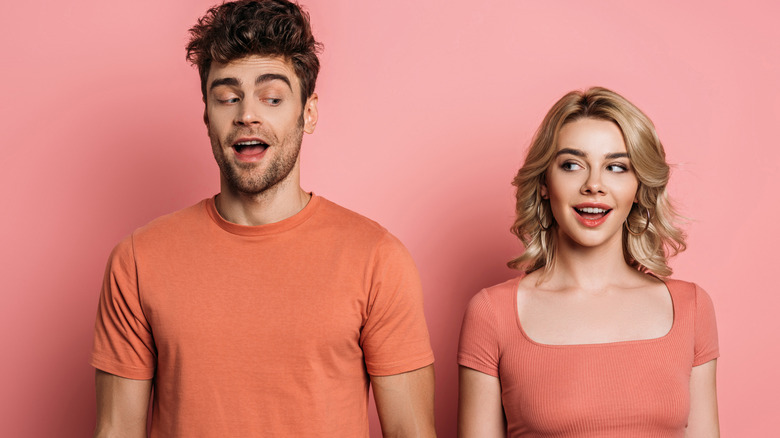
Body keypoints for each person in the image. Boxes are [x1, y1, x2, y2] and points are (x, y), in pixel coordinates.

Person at [90, 1, 435, 436]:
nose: (247, 114)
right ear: (206, 116)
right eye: (226, 98)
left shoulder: (378, 259)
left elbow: (411, 431)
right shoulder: (137, 260)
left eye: (271, 97)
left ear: (307, 113)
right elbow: (117, 430)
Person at [457, 87, 719, 437]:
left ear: (639, 187)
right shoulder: (492, 313)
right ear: (545, 183)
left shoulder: (692, 307)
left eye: (616, 167)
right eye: (572, 165)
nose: (594, 184)